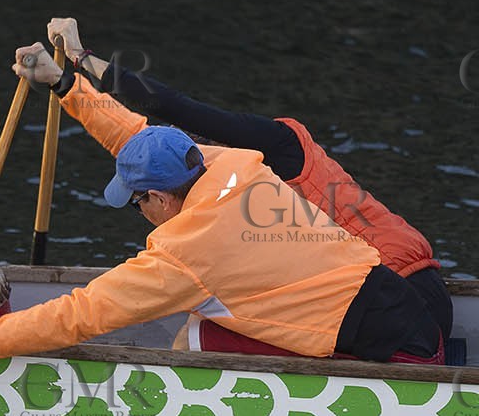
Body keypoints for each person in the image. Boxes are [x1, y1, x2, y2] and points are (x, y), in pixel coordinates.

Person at [0, 44, 444, 366]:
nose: (138, 213)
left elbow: (81, 315)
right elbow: (136, 133)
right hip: (408, 309)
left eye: (136, 203)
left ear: (161, 198)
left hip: (402, 357)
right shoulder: (235, 166)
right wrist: (63, 85)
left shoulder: (182, 256)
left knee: (194, 333)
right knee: (206, 309)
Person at [43, 17, 451, 339]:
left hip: (399, 302)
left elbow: (172, 106)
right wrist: (61, 83)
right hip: (407, 294)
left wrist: (81, 57)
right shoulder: (223, 169)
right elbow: (138, 141)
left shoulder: (278, 146)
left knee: (200, 325)